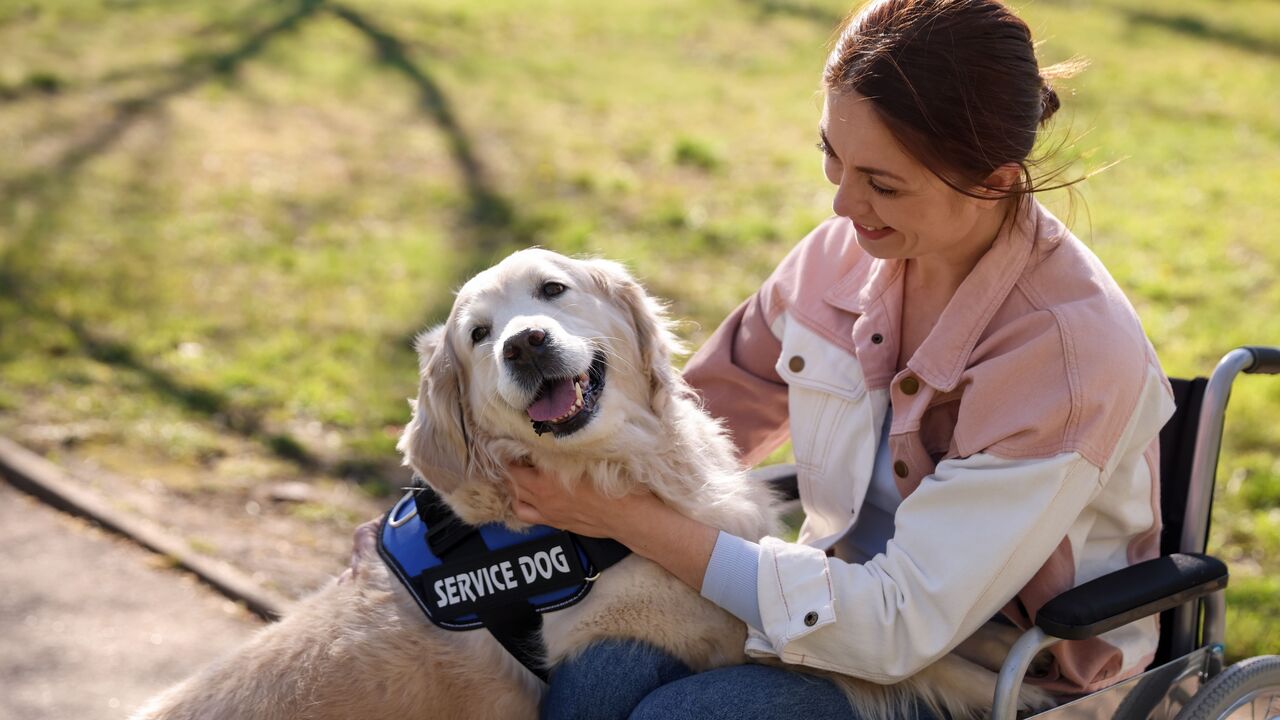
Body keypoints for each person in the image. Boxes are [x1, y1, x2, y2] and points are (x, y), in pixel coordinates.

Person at [508, 0, 1175, 718]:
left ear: (995, 183)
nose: (842, 204)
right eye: (832, 154)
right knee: (591, 687)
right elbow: (687, 415)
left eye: (884, 184)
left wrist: (627, 517)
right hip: (819, 607)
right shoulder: (839, 259)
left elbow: (898, 626)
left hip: (1001, 673)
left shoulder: (1065, 357)